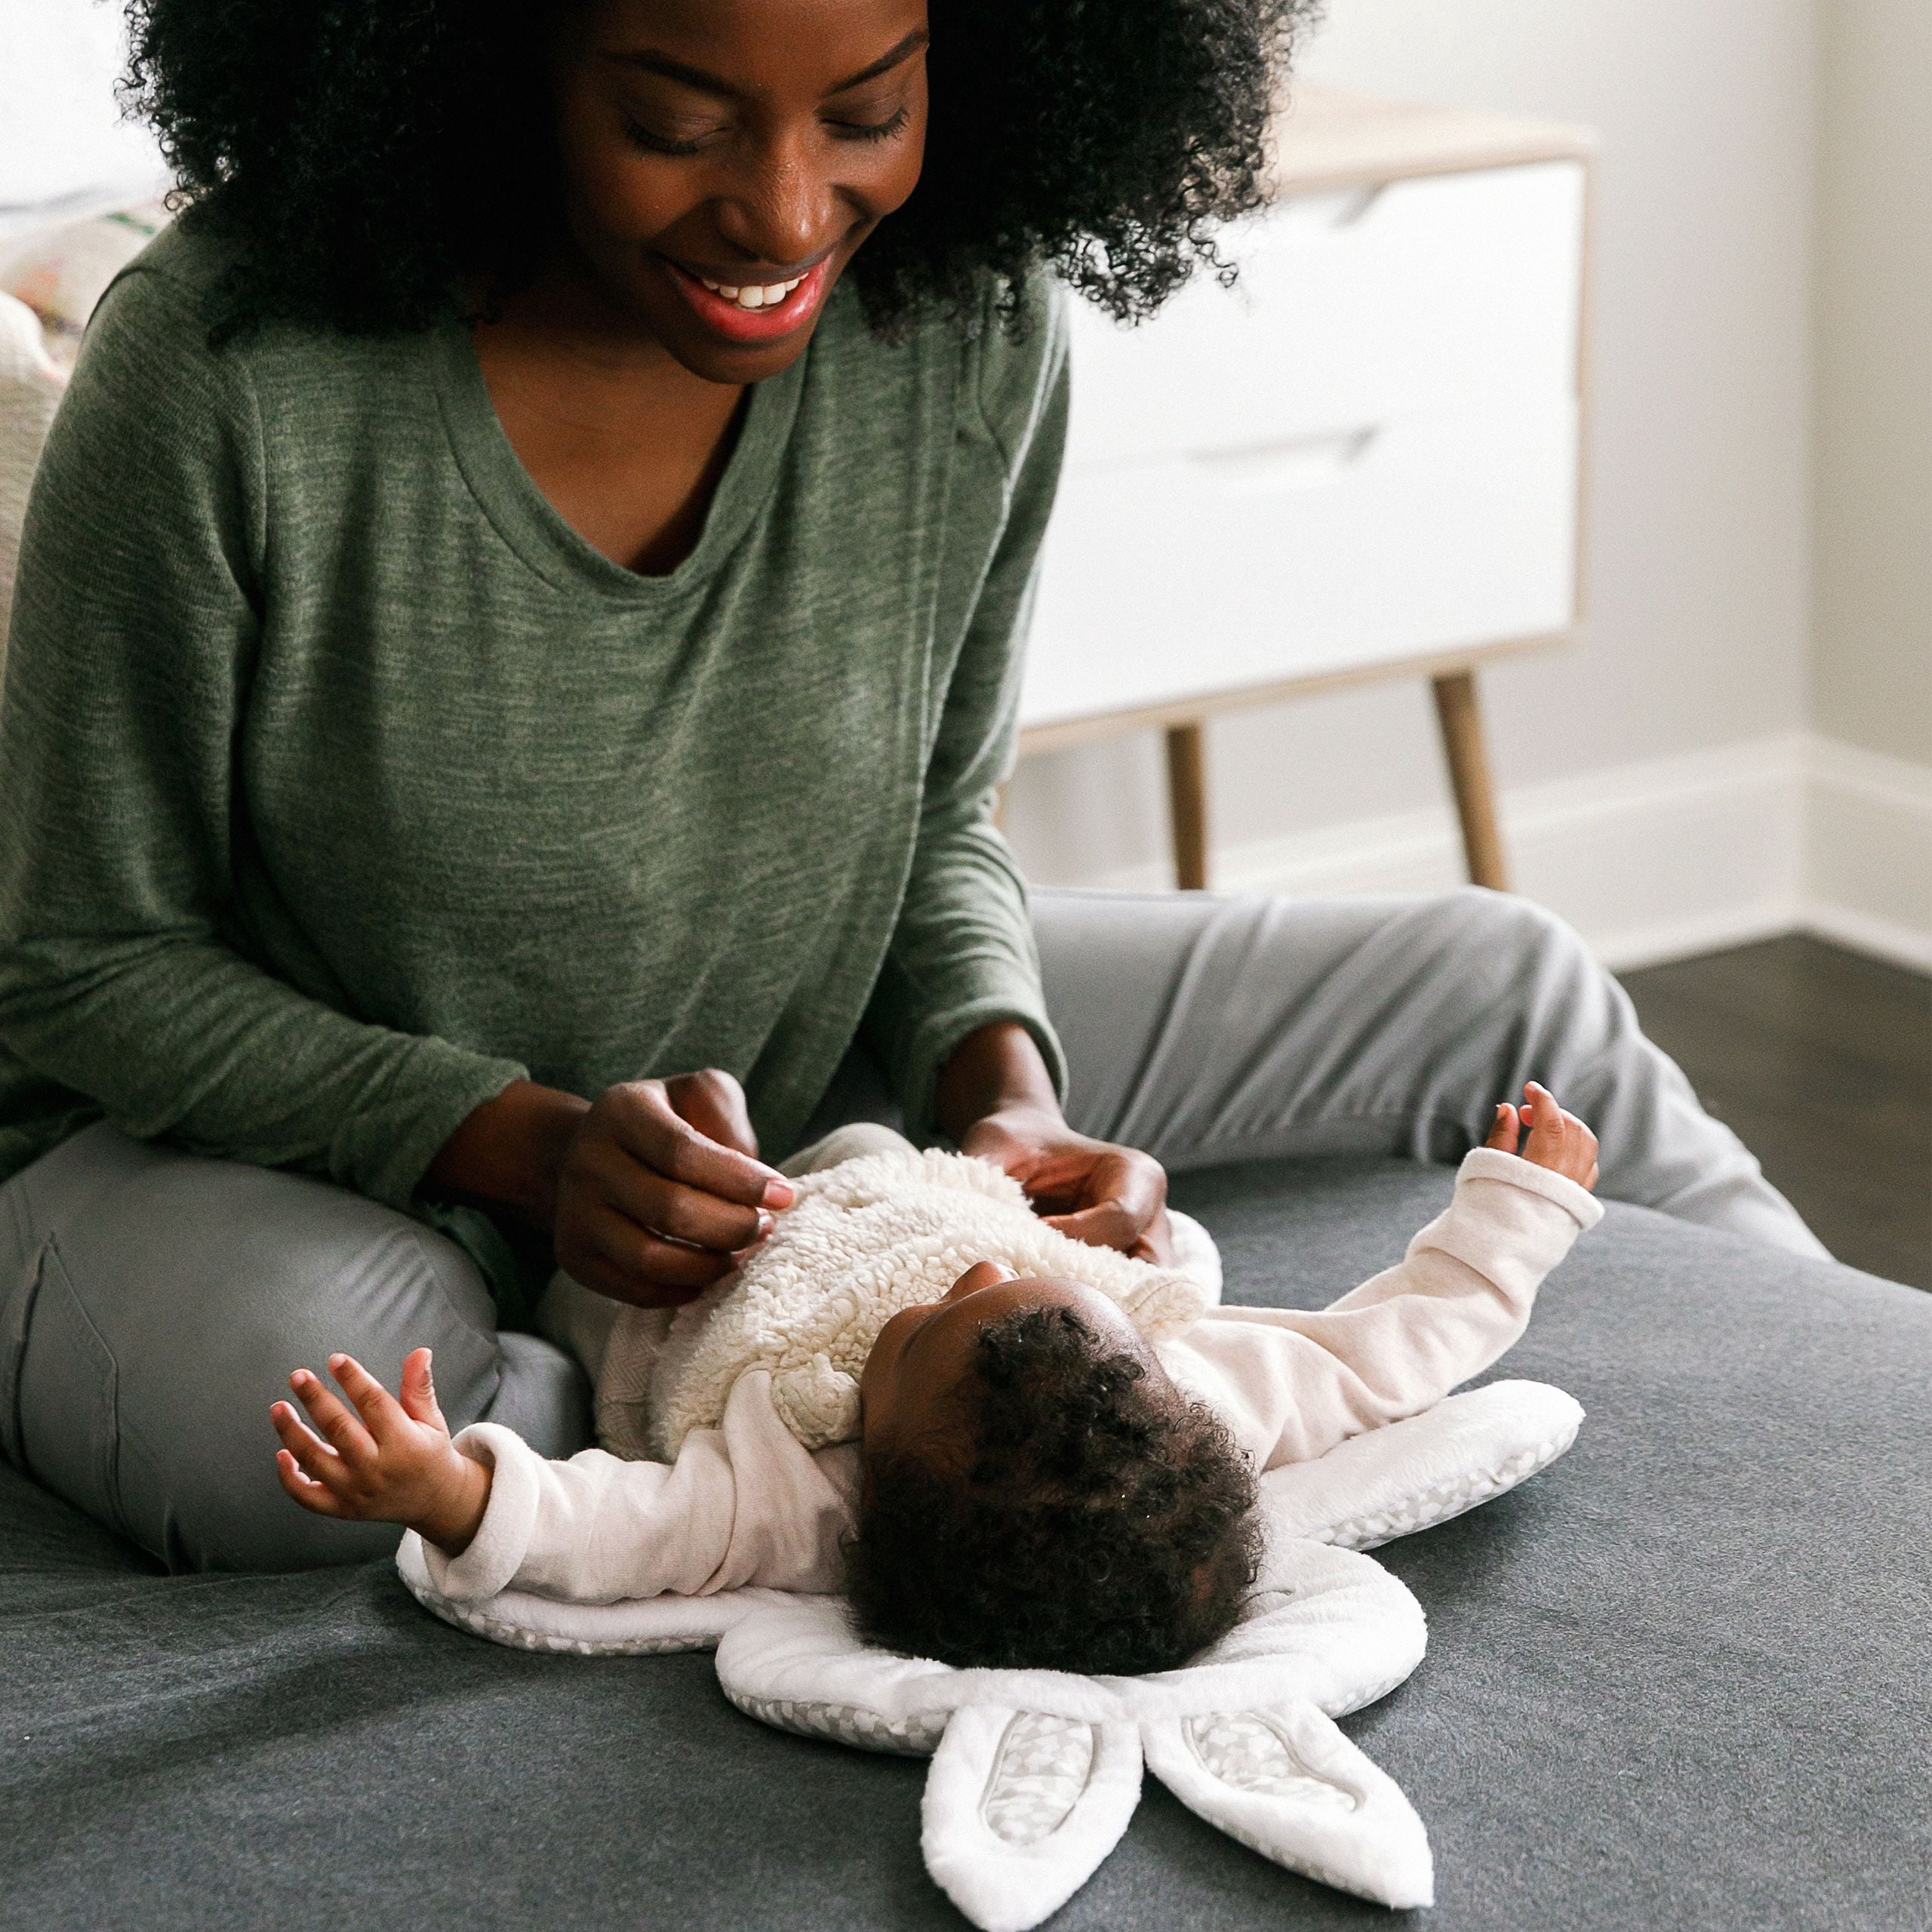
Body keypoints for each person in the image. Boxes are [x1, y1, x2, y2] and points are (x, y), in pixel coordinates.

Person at [0, 0, 1824, 1577]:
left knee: (1500, 985)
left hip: (791, 1089)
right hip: (282, 1141)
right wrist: (524, 1149)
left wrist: (1003, 1095)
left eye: (866, 109)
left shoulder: (959, 317)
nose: (788, 211)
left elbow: (936, 816)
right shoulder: (230, 370)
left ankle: (1852, 1434)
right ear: (493, 61)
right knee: (309, 1413)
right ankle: (608, 1434)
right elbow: (82, 959)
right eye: (674, 123)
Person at [267, 1084, 1599, 1672]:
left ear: (877, 1469)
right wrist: (1522, 1208)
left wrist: (450, 1492)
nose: (963, 1280)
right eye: (1013, 1284)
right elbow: (1397, 1351)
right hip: (882, 1186)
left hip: (659, 1297)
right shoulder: (1208, 1398)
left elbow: (624, 1531)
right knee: (855, 1140)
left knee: (553, 1337)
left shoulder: (808, 1494)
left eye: (920, 1335)